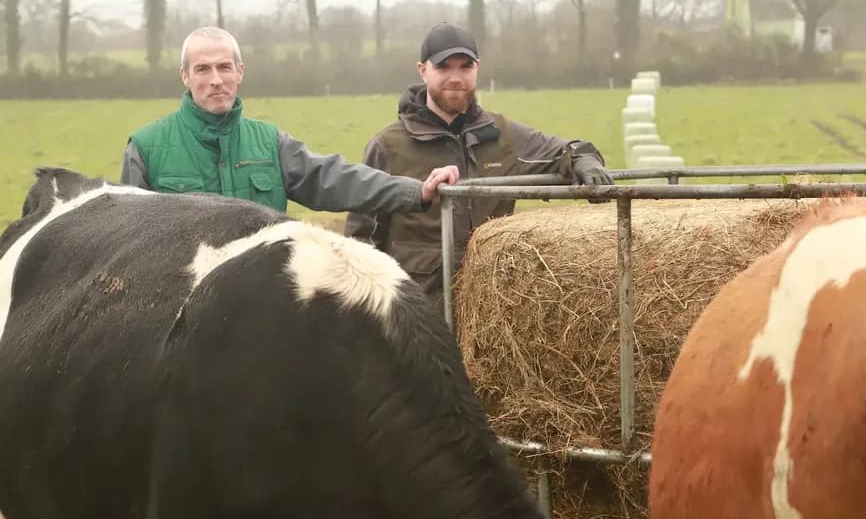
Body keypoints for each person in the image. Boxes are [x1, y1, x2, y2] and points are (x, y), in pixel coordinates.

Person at [344, 21, 613, 307]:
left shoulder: (503, 136)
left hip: (490, 315)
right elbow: (361, 242)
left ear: (477, 69)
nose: (455, 77)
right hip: (417, 316)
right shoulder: (387, 147)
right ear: (423, 71)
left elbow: (564, 150)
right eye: (444, 67)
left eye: (465, 67)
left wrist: (583, 160)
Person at [121, 26, 459, 217]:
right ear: (184, 75)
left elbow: (336, 179)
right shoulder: (146, 148)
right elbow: (121, 243)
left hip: (261, 312)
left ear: (240, 72)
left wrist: (417, 191)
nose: (215, 80)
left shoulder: (269, 143)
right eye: (202, 69)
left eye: (224, 67)